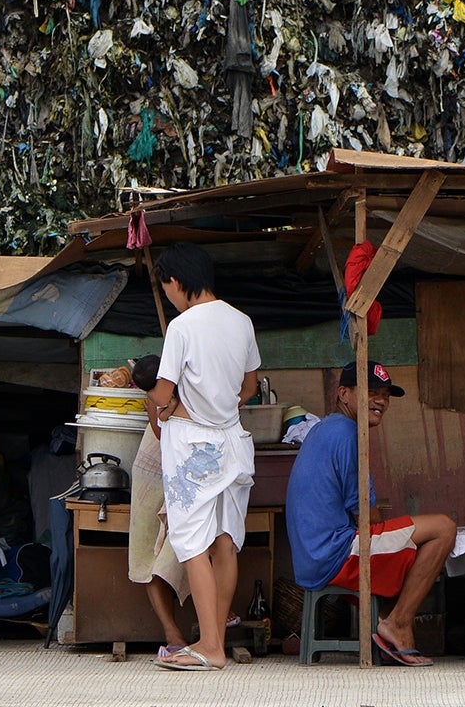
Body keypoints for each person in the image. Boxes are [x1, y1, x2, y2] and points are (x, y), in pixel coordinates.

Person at [284, 361, 455, 667]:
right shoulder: (349, 434)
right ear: (344, 394)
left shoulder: (326, 428)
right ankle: (397, 624)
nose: (380, 401)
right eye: (371, 392)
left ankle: (390, 624)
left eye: (385, 395)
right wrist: (403, 537)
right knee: (443, 528)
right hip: (333, 554)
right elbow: (367, 515)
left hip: (314, 555)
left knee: (408, 541)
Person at [146, 242, 260, 671]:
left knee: (192, 543)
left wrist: (165, 407)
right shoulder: (241, 321)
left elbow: (162, 391)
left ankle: (210, 647)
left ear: (176, 281)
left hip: (193, 450)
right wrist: (220, 408)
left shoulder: (182, 327)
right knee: (226, 540)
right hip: (232, 444)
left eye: (167, 288)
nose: (169, 296)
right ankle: (215, 639)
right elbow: (249, 387)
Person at [125, 355, 195, 659]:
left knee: (188, 548)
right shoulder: (156, 397)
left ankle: (209, 625)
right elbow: (160, 430)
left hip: (180, 471)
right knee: (148, 559)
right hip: (153, 474)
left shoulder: (177, 389)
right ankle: (172, 632)